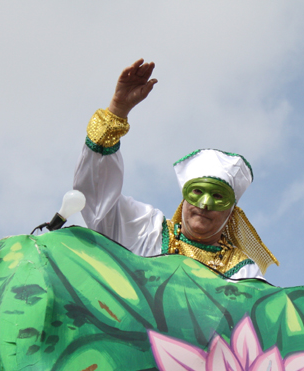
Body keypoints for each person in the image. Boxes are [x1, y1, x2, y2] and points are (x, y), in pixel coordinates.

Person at [73, 59, 278, 280]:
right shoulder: (147, 230)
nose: (204, 204)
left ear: (231, 211)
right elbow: (95, 199)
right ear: (185, 198)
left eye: (218, 196)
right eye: (197, 192)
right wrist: (117, 110)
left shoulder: (243, 273)